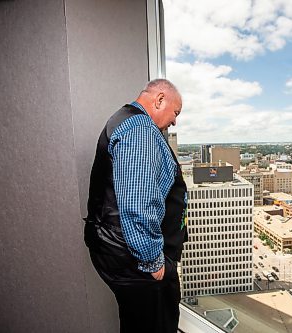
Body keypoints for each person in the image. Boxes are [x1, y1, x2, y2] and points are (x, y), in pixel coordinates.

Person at [84, 79, 188, 333]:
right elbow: (138, 204)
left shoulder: (124, 121)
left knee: (136, 323)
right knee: (154, 325)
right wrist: (153, 262)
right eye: (175, 112)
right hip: (134, 259)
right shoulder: (140, 129)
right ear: (160, 99)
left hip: (114, 248)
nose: (175, 121)